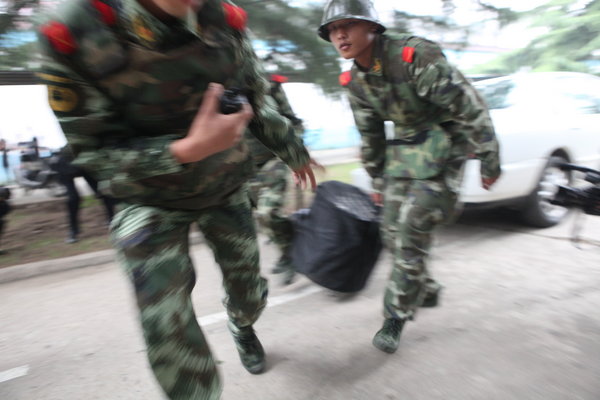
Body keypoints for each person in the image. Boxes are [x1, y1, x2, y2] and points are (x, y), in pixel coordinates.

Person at [37, 0, 318, 399]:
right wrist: (185, 150)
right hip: (148, 195)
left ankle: (242, 326)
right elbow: (94, 153)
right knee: (165, 319)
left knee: (249, 297)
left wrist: (291, 146)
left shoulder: (223, 19)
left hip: (223, 186)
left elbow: (255, 94)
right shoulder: (76, 30)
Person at [317, 0, 501, 354]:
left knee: (412, 229)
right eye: (332, 30)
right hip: (404, 151)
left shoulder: (412, 56)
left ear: (372, 27)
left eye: (348, 25)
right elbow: (370, 136)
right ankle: (423, 286)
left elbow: (468, 104)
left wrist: (490, 159)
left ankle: (395, 315)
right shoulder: (356, 81)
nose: (339, 34)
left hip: (444, 142)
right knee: (390, 232)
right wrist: (377, 181)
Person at [247, 74, 307, 285]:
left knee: (268, 211)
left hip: (274, 158)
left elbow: (293, 122)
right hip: (242, 167)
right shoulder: (207, 88)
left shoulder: (268, 83)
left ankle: (291, 257)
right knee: (264, 219)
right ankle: (289, 250)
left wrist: (294, 153)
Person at [53, 146, 118, 243]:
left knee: (103, 193)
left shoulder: (89, 156)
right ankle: (73, 232)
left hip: (85, 166)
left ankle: (112, 222)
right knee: (73, 199)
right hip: (66, 168)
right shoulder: (63, 161)